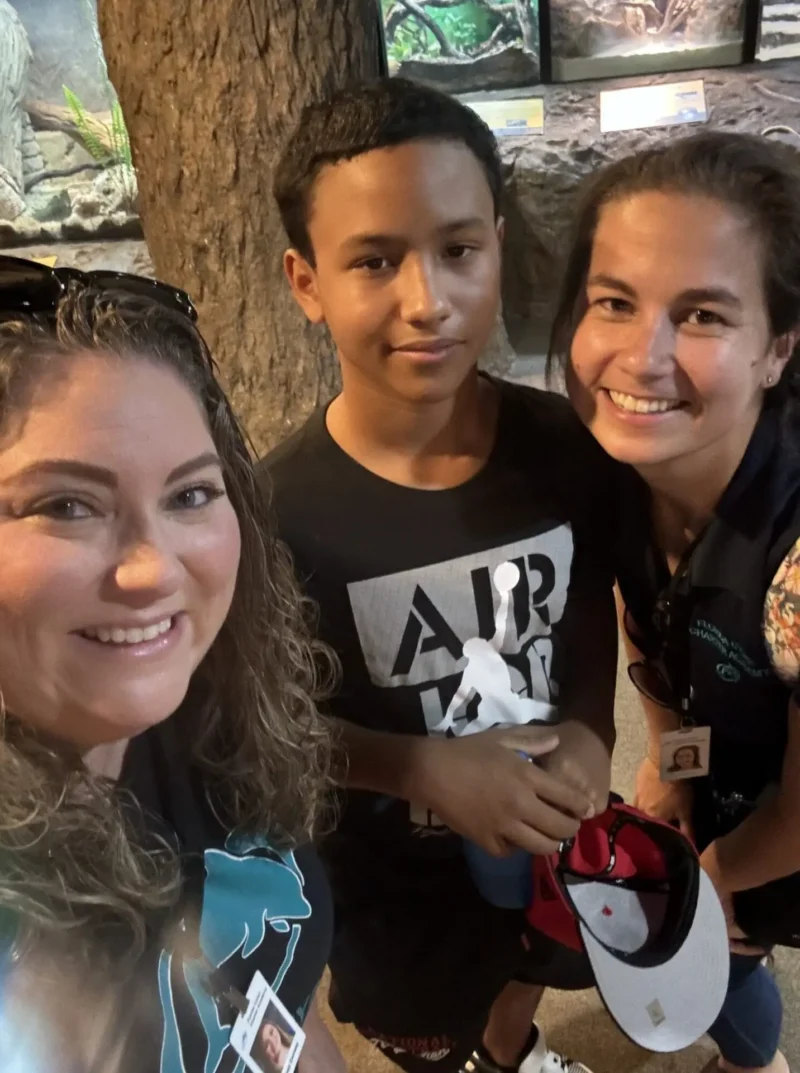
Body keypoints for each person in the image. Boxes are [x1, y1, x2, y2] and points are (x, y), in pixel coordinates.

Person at [261, 78, 618, 1073]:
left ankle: (508, 1051)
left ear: (497, 243)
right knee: (428, 1030)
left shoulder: (564, 446)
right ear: (305, 280)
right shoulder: (272, 515)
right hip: (393, 891)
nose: (428, 301)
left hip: (550, 838)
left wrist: (590, 724)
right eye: (374, 260)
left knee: (531, 966)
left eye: (458, 249)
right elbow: (261, 730)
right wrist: (413, 767)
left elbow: (586, 608)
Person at [0, 257, 342, 1073]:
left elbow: (281, 1013)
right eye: (65, 505)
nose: (154, 571)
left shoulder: (199, 718)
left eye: (190, 494)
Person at [549, 131, 800, 1073]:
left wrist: (715, 885)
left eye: (700, 314)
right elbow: (652, 625)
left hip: (788, 824)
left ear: (778, 347)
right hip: (737, 775)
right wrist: (675, 764)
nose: (640, 357)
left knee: (732, 952)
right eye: (614, 301)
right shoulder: (621, 471)